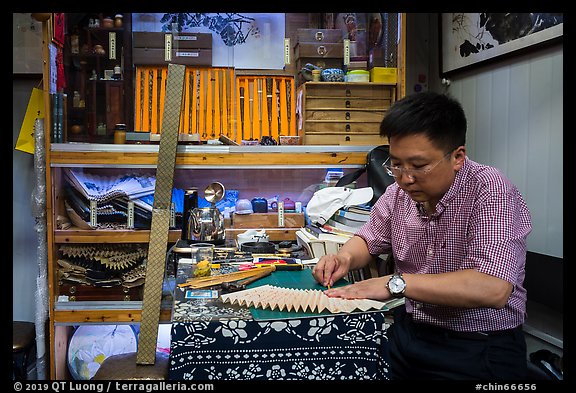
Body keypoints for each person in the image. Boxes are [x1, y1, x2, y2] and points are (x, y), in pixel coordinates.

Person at [312, 91, 532, 380]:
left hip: (480, 346)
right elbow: (369, 237)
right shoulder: (397, 193)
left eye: (418, 166)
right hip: (411, 334)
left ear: (457, 157)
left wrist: (395, 284)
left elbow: (492, 288)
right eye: (396, 164)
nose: (405, 177)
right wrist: (344, 257)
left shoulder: (491, 191)